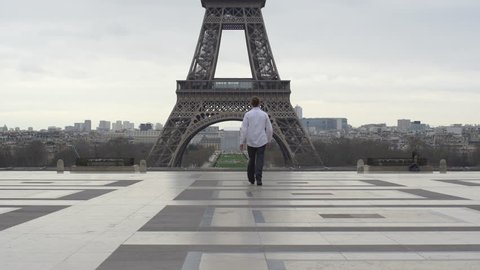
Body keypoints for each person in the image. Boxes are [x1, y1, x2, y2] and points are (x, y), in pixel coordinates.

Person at [240, 96, 273, 186]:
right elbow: (269, 129)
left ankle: (251, 179)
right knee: (260, 160)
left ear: (251, 103)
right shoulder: (264, 114)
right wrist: (269, 140)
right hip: (262, 140)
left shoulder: (247, 114)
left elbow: (244, 129)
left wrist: (242, 142)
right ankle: (259, 179)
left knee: (251, 159)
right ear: (260, 103)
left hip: (250, 141)